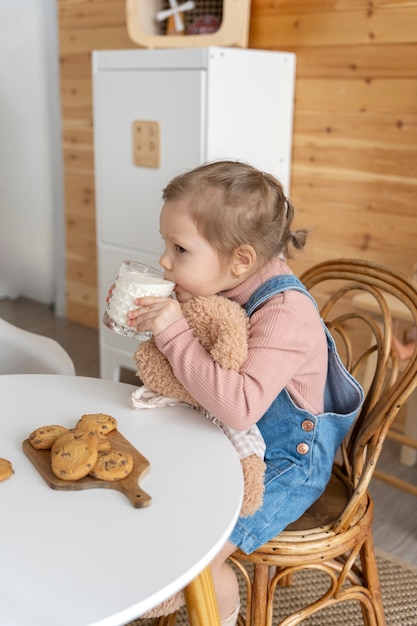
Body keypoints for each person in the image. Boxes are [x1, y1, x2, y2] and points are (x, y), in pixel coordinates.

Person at [127, 160, 363, 625]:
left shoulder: (285, 314)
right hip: (232, 440)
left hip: (286, 460)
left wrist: (174, 329)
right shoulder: (222, 281)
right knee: (155, 493)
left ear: (240, 260)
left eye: (179, 248)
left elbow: (238, 408)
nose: (165, 261)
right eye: (164, 244)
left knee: (202, 554)